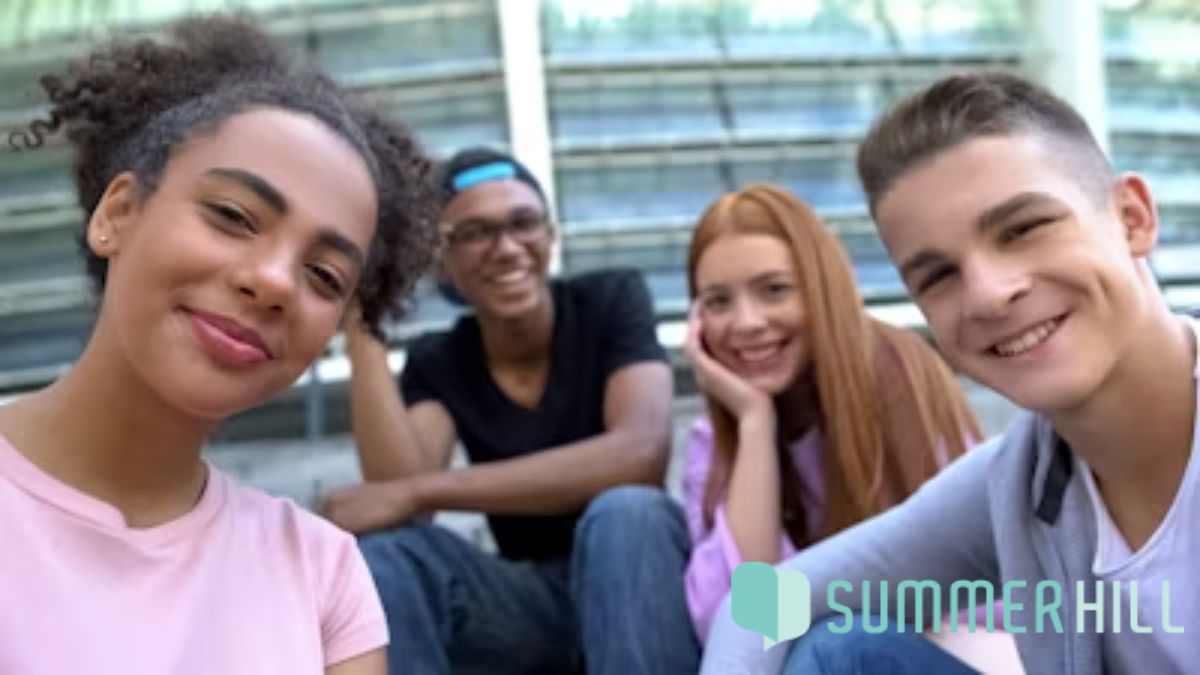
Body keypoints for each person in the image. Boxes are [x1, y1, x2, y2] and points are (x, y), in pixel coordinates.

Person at [699, 71, 1199, 675]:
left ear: (1132, 217)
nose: (988, 294)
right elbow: (765, 603)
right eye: (939, 276)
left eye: (1023, 229)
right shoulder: (1018, 481)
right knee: (837, 652)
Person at [0, 16, 438, 675]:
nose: (273, 282)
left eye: (324, 276)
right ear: (116, 213)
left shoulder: (323, 573)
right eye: (233, 216)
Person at [321, 148, 700, 674]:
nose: (505, 248)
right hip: (528, 609)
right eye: (475, 233)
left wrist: (415, 491)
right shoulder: (440, 359)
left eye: (523, 223)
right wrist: (364, 321)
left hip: (639, 587)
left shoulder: (609, 300)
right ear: (443, 264)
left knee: (628, 512)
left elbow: (639, 454)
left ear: (551, 235)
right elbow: (395, 499)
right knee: (388, 557)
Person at [682, 183, 982, 664]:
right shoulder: (717, 437)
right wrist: (755, 423)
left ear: (821, 288)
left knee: (836, 642)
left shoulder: (898, 378)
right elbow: (737, 635)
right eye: (718, 302)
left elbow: (970, 596)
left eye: (774, 290)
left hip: (933, 654)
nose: (747, 322)